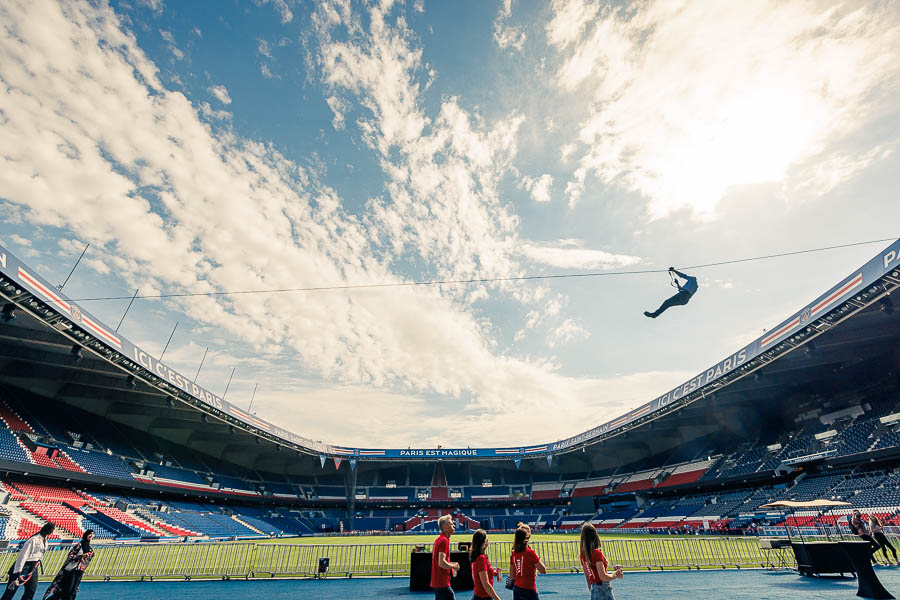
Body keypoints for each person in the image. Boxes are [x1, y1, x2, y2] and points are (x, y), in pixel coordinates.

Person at [2, 523, 55, 600]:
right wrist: (18, 571)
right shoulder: (33, 540)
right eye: (51, 530)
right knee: (10, 591)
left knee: (31, 589)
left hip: (33, 567)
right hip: (24, 566)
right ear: (47, 529)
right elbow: (23, 555)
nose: (52, 533)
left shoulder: (45, 540)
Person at [43, 530, 94, 600]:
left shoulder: (90, 549)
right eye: (89, 534)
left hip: (79, 572)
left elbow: (87, 560)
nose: (91, 535)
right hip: (71, 570)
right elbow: (70, 556)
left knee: (73, 591)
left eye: (92, 534)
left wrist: (90, 556)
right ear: (86, 535)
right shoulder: (79, 545)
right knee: (67, 590)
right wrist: (80, 557)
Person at [579, 522, 623, 600]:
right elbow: (603, 577)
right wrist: (615, 574)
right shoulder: (596, 553)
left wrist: (594, 590)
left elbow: (588, 578)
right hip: (604, 589)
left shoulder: (583, 555)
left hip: (594, 589)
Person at [509, 524, 546, 600]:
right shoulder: (531, 553)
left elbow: (512, 575)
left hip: (517, 588)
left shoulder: (513, 554)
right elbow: (543, 570)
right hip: (529, 588)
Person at [431, 514, 460, 600]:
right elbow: (441, 563)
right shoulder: (444, 541)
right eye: (451, 523)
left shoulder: (440, 539)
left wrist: (451, 564)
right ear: (445, 527)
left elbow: (440, 561)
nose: (454, 525)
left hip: (437, 582)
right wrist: (453, 566)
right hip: (442, 582)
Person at [469, 529, 501, 600]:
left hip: (482, 595)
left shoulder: (478, 556)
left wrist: (495, 573)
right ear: (484, 542)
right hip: (483, 596)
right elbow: (485, 584)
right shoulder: (481, 559)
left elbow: (482, 574)